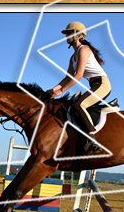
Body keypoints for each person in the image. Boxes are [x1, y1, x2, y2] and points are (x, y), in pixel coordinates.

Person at [46, 21, 112, 155]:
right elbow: (66, 78)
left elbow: (79, 75)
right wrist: (51, 91)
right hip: (94, 85)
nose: (66, 36)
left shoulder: (84, 50)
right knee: (72, 107)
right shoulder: (72, 58)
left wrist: (62, 91)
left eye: (68, 33)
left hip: (102, 85)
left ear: (77, 35)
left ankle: (93, 139)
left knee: (79, 105)